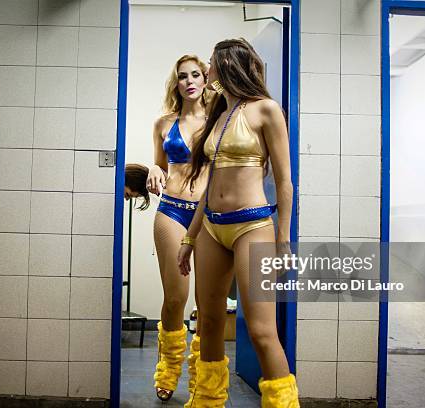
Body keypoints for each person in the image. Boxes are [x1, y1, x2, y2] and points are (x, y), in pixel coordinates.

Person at [178, 39, 300, 407]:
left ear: (229, 65)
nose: (208, 70)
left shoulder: (265, 110)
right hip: (211, 227)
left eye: (211, 63)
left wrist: (283, 239)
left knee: (262, 331)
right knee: (209, 322)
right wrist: (190, 235)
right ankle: (207, 401)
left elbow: (284, 181)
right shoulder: (219, 112)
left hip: (253, 225)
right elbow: (210, 183)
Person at [146, 55, 211, 402]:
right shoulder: (163, 122)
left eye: (195, 74)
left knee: (205, 303)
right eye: (182, 76)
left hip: (209, 217)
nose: (189, 80)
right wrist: (154, 170)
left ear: (205, 79)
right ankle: (168, 370)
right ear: (177, 82)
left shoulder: (219, 120)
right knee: (176, 298)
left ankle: (202, 379)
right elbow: (159, 163)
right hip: (171, 210)